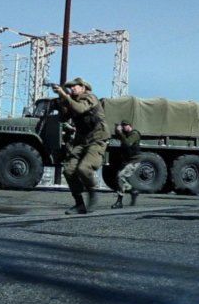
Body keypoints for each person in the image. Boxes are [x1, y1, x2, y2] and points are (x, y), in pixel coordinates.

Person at [51, 77, 109, 215]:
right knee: (69, 170)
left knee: (84, 168)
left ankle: (92, 191)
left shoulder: (90, 97)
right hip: (81, 140)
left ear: (83, 87)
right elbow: (63, 118)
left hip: (97, 139)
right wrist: (60, 102)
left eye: (75, 86)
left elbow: (80, 109)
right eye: (71, 87)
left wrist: (64, 95)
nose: (72, 88)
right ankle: (79, 204)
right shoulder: (72, 100)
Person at [111, 120, 142, 209]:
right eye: (122, 125)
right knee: (118, 178)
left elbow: (127, 143)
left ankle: (119, 202)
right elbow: (119, 138)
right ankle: (133, 190)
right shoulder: (125, 134)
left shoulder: (135, 134)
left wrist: (120, 133)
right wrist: (117, 131)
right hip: (127, 160)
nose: (123, 127)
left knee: (121, 177)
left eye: (125, 125)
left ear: (130, 126)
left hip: (134, 160)